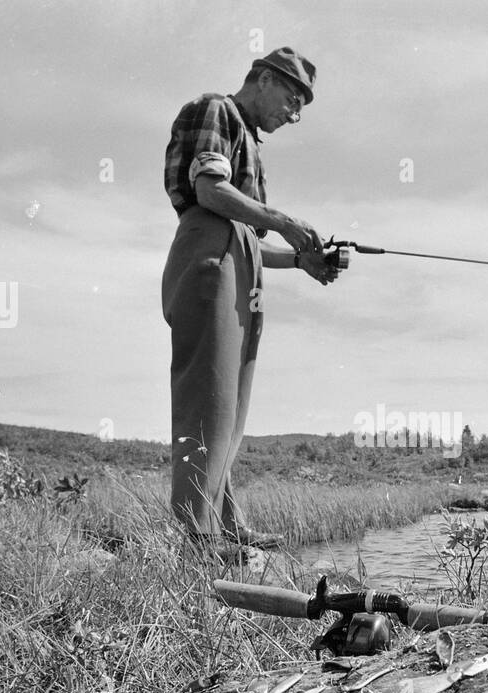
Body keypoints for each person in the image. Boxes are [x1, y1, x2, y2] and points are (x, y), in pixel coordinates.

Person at [162, 47, 340, 555]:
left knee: (229, 407)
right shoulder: (216, 108)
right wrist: (285, 222)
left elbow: (247, 238)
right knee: (207, 399)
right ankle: (195, 537)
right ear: (263, 79)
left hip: (238, 260)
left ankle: (227, 523)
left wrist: (300, 262)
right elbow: (210, 191)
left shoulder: (251, 143)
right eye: (292, 97)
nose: (295, 113)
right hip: (207, 258)